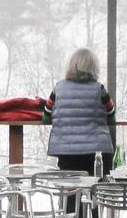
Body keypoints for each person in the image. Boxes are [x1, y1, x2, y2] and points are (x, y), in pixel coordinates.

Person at [44, 48, 114, 176]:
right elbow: (111, 114)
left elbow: (46, 116)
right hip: (97, 153)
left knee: (71, 192)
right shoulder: (100, 89)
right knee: (98, 191)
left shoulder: (58, 89)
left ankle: (71, 197)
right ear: (94, 67)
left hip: (67, 152)